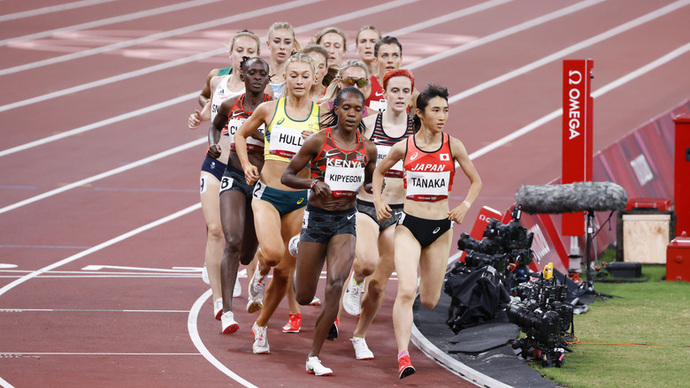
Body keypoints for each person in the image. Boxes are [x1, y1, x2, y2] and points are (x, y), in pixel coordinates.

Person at [371, 84, 482, 378]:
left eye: (446, 110)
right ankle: (403, 356)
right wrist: (379, 200)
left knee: (430, 300)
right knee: (406, 290)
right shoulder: (404, 147)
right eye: (436, 110)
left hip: (441, 229)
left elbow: (476, 181)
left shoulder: (453, 145)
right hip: (409, 226)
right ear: (419, 113)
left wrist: (465, 206)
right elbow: (379, 170)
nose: (443, 116)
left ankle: (406, 346)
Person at [281, 87, 377, 376]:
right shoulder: (318, 141)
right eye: (346, 107)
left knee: (335, 283)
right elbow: (287, 175)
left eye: (357, 109)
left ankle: (314, 356)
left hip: (346, 221)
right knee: (304, 296)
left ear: (362, 113)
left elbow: (370, 181)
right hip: (316, 220)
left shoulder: (367, 148)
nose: (351, 113)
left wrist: (377, 188)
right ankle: (299, 244)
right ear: (336, 109)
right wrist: (312, 184)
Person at [234, 53, 321, 354]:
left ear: (314, 79)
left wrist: (318, 146)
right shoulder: (269, 109)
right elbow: (242, 135)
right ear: (285, 78)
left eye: (304, 76)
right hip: (268, 195)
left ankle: (261, 326)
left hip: (298, 200)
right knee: (271, 254)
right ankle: (258, 275)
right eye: (293, 75)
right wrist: (246, 165)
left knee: (285, 273)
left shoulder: (321, 118)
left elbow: (335, 157)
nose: (298, 81)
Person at [187, 30, 262, 321]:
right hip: (216, 163)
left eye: (250, 50)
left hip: (247, 168)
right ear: (230, 54)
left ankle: (256, 293)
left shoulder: (262, 90)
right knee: (215, 230)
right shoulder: (217, 79)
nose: (244, 54)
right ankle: (220, 301)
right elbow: (210, 108)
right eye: (239, 49)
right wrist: (199, 116)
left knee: (247, 241)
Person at [344, 69, 416, 360]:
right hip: (365, 205)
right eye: (394, 91)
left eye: (405, 91)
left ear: (411, 95)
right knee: (366, 264)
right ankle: (355, 281)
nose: (399, 96)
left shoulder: (419, 130)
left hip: (399, 213)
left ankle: (359, 336)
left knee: (379, 287)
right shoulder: (368, 124)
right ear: (384, 94)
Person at [206, 57, 272, 333]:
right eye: (251, 73)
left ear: (268, 79)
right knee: (231, 240)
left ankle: (256, 276)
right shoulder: (229, 105)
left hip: (262, 181)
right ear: (242, 76)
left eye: (262, 74)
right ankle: (228, 312)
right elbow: (214, 125)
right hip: (233, 176)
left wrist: (250, 132)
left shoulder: (275, 109)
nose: (256, 77)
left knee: (247, 254)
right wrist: (213, 144)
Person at [364, 36, 418, 112]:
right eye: (384, 56)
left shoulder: (411, 93)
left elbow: (421, 121)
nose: (390, 60)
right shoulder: (366, 87)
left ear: (401, 60)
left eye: (395, 55)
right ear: (375, 60)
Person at [266, 22, 299, 96]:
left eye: (287, 42)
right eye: (277, 41)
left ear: (293, 46)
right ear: (268, 44)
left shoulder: (298, 78)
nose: (282, 47)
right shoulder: (258, 75)